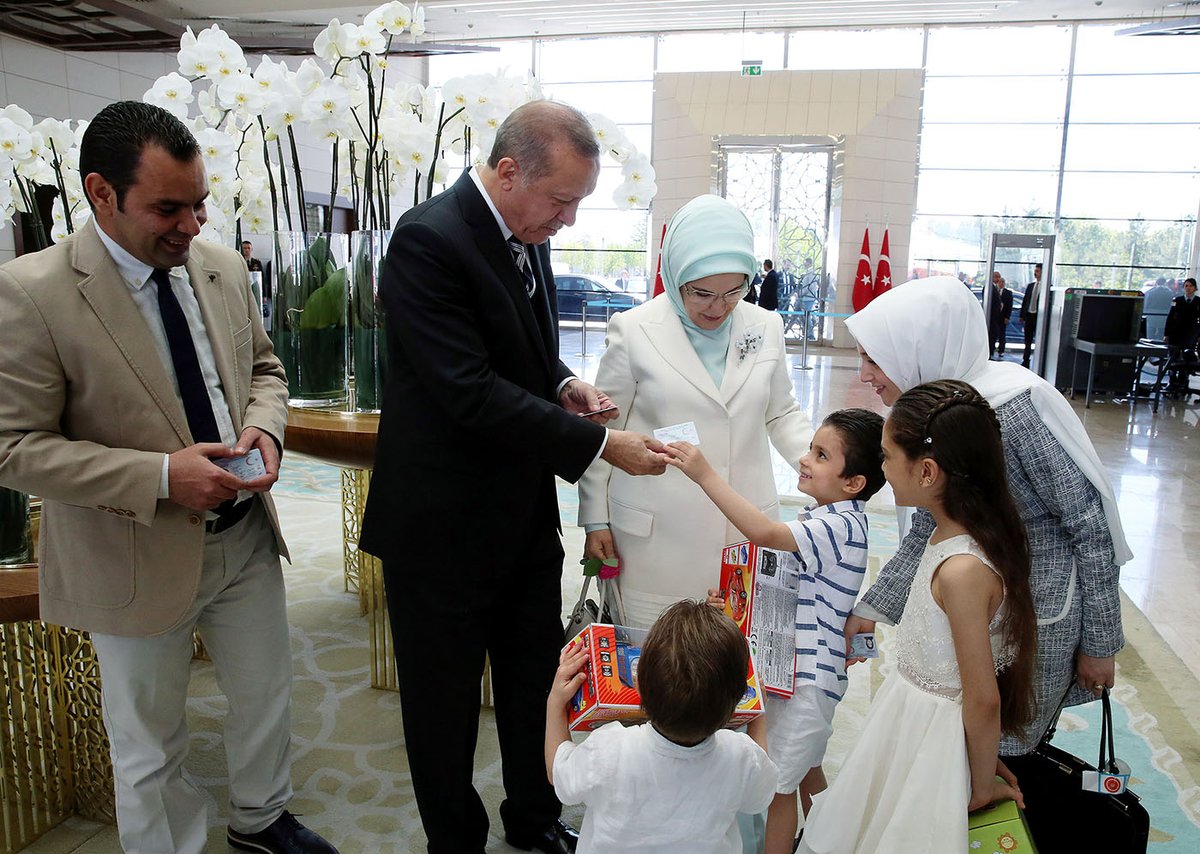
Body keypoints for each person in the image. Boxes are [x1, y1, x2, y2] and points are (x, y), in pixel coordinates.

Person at [0, 101, 336, 854]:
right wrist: (159, 475)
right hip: (133, 552)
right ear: (100, 194)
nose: (190, 225)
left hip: (244, 536)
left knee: (263, 696)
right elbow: (13, 448)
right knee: (149, 741)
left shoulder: (217, 267)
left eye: (199, 204)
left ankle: (261, 818)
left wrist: (264, 428)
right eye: (168, 208)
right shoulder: (32, 293)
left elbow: (265, 370)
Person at [358, 100, 668, 854]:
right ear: (507, 171)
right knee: (445, 705)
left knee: (538, 681)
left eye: (576, 205)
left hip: (520, 517)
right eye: (561, 201)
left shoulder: (525, 233)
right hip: (441, 526)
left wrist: (563, 383)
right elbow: (464, 387)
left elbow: (516, 350)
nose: (566, 221)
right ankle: (455, 841)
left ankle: (534, 817)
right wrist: (600, 449)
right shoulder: (429, 239)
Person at [844, 276, 1131, 761]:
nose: (865, 373)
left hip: (1038, 615)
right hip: (976, 608)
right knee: (965, 742)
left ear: (922, 348)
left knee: (1007, 747)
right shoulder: (939, 412)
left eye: (874, 359)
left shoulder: (1013, 410)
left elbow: (1088, 524)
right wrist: (873, 608)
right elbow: (928, 524)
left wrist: (1100, 643)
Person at [799, 380, 1037, 853]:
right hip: (908, 723)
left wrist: (979, 779)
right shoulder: (948, 540)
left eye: (887, 457)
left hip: (933, 741)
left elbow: (983, 698)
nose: (883, 469)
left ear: (927, 472)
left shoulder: (963, 571)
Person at [578, 194, 811, 629]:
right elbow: (603, 431)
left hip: (742, 526)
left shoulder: (766, 326)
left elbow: (781, 413)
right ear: (676, 274)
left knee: (731, 661)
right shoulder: (634, 330)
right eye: (701, 292)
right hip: (656, 537)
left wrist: (822, 465)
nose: (717, 308)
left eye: (733, 292)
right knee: (654, 660)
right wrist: (594, 518)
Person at [665, 408, 886, 854]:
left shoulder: (838, 524)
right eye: (810, 449)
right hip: (799, 675)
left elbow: (763, 531)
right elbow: (786, 590)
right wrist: (735, 605)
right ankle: (835, 841)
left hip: (805, 682)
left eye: (821, 455)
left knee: (777, 786)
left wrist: (704, 474)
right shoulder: (821, 518)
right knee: (805, 772)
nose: (805, 460)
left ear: (853, 483)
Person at [546, 600, 778, 853]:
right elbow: (760, 794)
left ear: (639, 685)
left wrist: (555, 703)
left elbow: (558, 774)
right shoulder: (740, 756)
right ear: (738, 704)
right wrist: (758, 715)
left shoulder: (610, 748)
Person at [1164, 276, 1200, 394]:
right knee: (1173, 357)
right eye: (1186, 286)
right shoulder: (1177, 300)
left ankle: (1183, 381)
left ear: (1195, 288)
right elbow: (1170, 317)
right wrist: (1166, 334)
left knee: (1186, 358)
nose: (1188, 288)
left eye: (1190, 286)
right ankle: (1172, 380)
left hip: (1190, 335)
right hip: (1176, 333)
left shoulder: (1198, 302)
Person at [1019, 262, 1042, 369]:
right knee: (1027, 340)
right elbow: (1025, 301)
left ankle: (1039, 361)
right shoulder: (1031, 286)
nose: (1035, 273)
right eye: (1035, 271)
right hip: (1029, 316)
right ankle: (1025, 360)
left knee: (1039, 340)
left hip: (1039, 317)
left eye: (1037, 271)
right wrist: (1022, 315)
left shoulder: (1046, 288)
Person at [989, 271, 1012, 359]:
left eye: (1000, 278)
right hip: (993, 317)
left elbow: (1009, 306)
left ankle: (999, 351)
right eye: (997, 277)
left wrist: (1007, 317)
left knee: (1001, 335)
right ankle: (990, 352)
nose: (999, 280)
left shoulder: (1007, 293)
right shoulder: (990, 288)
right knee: (992, 335)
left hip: (1001, 317)